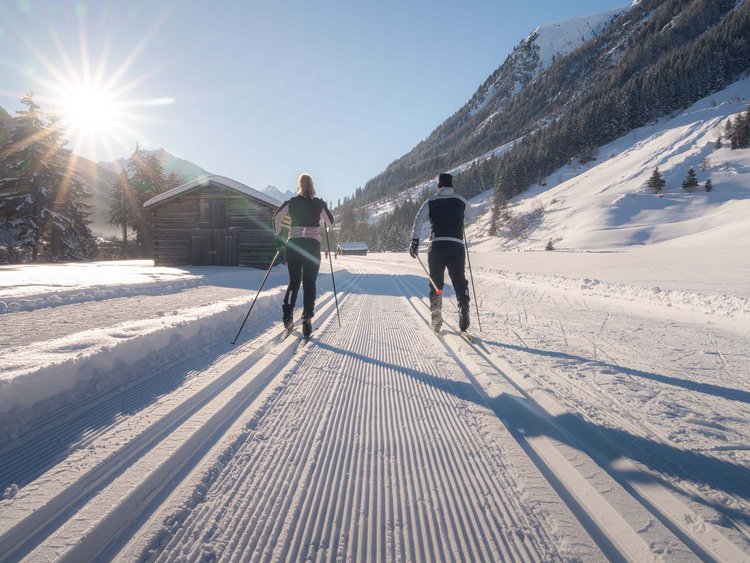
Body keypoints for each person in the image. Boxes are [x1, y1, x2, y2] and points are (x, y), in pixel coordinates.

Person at [273, 172, 334, 338]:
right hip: (312, 247)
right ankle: (307, 316)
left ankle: (287, 315)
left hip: (294, 246)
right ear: (312, 185)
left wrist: (279, 238)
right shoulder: (318, 203)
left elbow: (277, 217)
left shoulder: (291, 202)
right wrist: (323, 207)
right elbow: (330, 221)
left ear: (299, 185)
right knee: (309, 283)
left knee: (294, 281)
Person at [408, 172, 470, 332]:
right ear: (451, 185)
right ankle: (463, 306)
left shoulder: (431, 201)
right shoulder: (461, 200)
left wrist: (415, 241)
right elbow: (473, 218)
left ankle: (436, 318)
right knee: (458, 280)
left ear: (438, 186)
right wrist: (461, 222)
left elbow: (418, 219)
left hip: (436, 246)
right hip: (456, 245)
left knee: (436, 282)